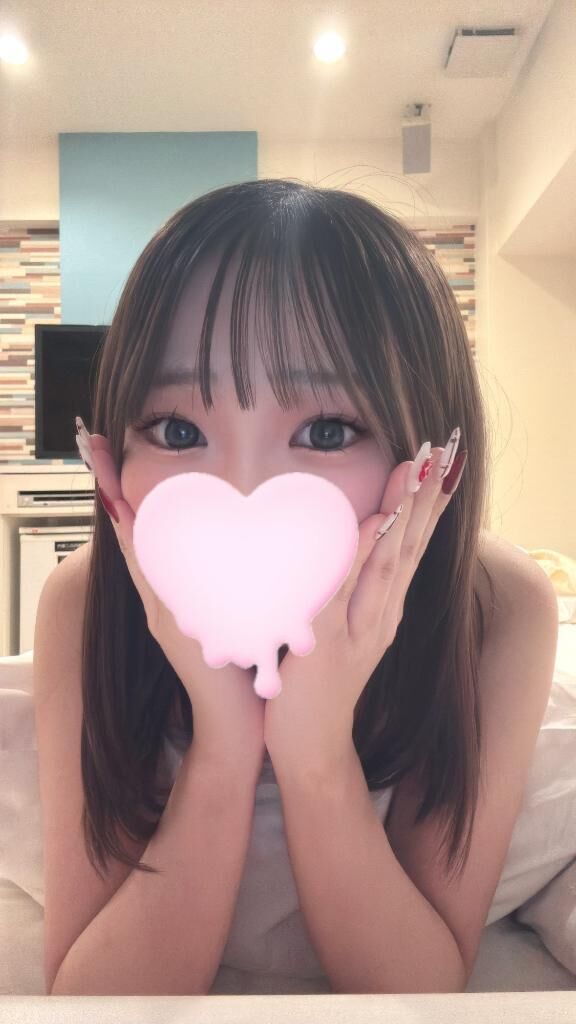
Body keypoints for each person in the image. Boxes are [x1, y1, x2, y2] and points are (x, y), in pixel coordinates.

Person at [37, 179, 555, 997]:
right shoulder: (85, 602)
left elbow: (419, 990)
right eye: (178, 429)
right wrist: (223, 743)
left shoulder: (495, 608)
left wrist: (314, 751)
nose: (242, 490)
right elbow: (90, 1001)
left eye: (326, 430)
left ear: (429, 460)